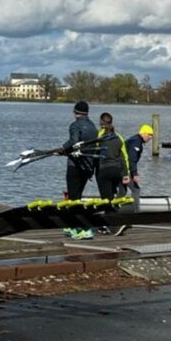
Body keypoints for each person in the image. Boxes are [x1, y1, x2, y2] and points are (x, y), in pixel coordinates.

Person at [62, 101, 98, 240]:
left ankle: (81, 228)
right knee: (77, 196)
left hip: (75, 166)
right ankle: (72, 226)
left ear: (75, 112)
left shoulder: (75, 125)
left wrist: (63, 149)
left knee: (73, 198)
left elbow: (74, 142)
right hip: (88, 166)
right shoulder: (93, 126)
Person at [94, 112, 131, 236]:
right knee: (112, 198)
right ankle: (107, 224)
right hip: (117, 171)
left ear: (101, 123)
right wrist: (126, 174)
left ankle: (116, 224)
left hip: (104, 170)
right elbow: (124, 157)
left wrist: (90, 171)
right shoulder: (119, 137)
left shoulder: (99, 136)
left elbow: (93, 153)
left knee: (106, 200)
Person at [120, 124, 154, 212]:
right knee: (136, 189)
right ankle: (135, 211)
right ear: (144, 133)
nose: (150, 137)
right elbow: (132, 159)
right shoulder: (136, 142)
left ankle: (115, 210)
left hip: (121, 168)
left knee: (122, 191)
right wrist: (134, 174)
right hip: (124, 169)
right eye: (150, 135)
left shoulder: (135, 140)